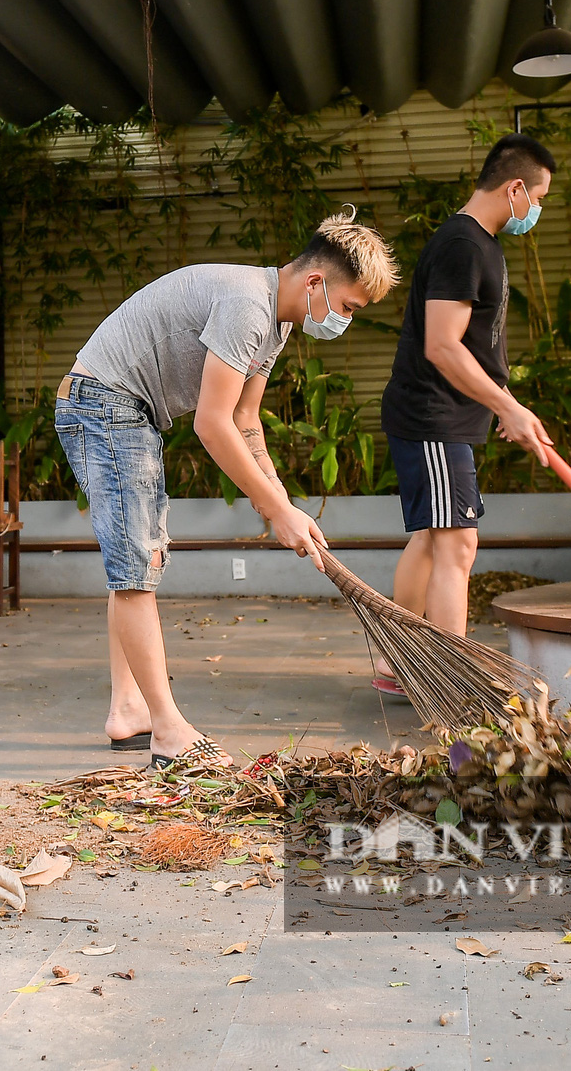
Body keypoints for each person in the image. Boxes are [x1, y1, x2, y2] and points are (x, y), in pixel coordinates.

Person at [55, 208, 397, 767]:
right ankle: (167, 728)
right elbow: (210, 424)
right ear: (316, 282)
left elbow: (245, 421)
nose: (345, 321)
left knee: (139, 560)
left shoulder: (278, 323)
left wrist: (283, 504)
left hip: (124, 410)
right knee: (136, 563)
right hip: (103, 401)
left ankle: (129, 710)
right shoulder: (247, 305)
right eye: (348, 307)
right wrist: (274, 509)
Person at [376, 133, 558, 688]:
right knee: (458, 543)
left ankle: (395, 661)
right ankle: (449, 678)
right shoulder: (464, 244)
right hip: (432, 415)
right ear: (516, 187)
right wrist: (510, 405)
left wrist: (500, 405)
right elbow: (443, 345)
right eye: (540, 196)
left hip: (445, 416)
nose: (539, 210)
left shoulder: (480, 244)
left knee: (434, 538)